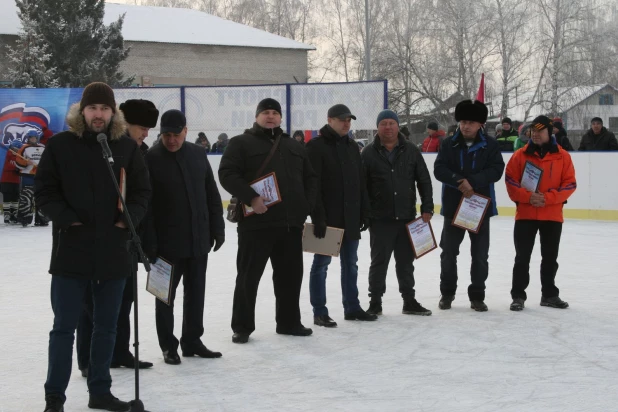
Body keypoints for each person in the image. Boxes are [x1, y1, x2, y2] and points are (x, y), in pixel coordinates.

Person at [35, 82, 151, 412]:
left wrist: (127, 221)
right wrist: (68, 220)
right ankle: (54, 397)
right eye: (92, 108)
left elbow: (142, 192)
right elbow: (44, 191)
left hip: (114, 251)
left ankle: (100, 391)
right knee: (63, 329)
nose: (98, 114)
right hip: (71, 251)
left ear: (113, 113)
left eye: (104, 108)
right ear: (82, 111)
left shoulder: (126, 147)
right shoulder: (60, 145)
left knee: (106, 327)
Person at [219, 98, 317, 344]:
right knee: (248, 277)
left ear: (281, 117)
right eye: (266, 112)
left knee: (290, 277)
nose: (270, 116)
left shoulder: (293, 146)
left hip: (290, 224)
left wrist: (305, 206)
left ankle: (289, 322)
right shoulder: (241, 143)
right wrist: (251, 198)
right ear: (257, 116)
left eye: (275, 112)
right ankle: (242, 327)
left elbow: (310, 178)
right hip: (256, 224)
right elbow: (227, 174)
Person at [75, 99, 159, 377]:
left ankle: (120, 350)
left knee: (124, 300)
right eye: (142, 127)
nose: (145, 134)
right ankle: (88, 359)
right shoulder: (107, 149)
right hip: (102, 238)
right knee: (92, 302)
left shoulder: (140, 152)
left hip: (131, 238)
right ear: (126, 123)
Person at [144, 109, 225, 365]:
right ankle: (168, 346)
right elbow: (145, 207)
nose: (171, 140)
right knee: (163, 296)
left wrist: (217, 228)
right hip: (164, 245)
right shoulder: (150, 158)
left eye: (176, 134)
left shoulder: (198, 154)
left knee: (195, 293)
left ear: (186, 131)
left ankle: (192, 340)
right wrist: (150, 244)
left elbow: (212, 195)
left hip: (197, 239)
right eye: (166, 135)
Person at [305, 104, 376, 327]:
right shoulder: (316, 147)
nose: (346, 123)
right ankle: (319, 311)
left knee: (351, 264)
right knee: (321, 265)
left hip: (351, 216)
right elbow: (311, 185)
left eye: (349, 120)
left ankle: (352, 307)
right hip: (328, 220)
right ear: (330, 120)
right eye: (342, 119)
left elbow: (360, 182)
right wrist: (318, 217)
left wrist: (364, 210)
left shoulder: (353, 147)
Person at [434, 100, 505, 312]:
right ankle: (447, 293)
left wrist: (472, 182)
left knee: (480, 255)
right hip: (453, 208)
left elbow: (496, 170)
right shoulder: (448, 144)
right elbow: (439, 169)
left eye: (471, 122)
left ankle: (477, 296)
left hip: (479, 209)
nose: (466, 126)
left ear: (480, 125)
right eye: (463, 121)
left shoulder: (490, 145)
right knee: (448, 254)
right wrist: (458, 181)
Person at [362, 109, 434, 316]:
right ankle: (375, 301)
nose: (388, 127)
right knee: (379, 263)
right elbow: (362, 187)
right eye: (383, 123)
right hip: (380, 218)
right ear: (378, 127)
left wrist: (427, 207)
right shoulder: (368, 153)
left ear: (397, 125)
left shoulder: (411, 150)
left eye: (391, 123)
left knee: (405, 262)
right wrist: (366, 214)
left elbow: (424, 180)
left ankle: (409, 300)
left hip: (406, 217)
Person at [505, 115, 576, 311]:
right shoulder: (519, 155)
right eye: (532, 131)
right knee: (522, 258)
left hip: (552, 215)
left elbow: (570, 184)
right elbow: (510, 182)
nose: (535, 135)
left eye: (539, 131)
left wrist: (548, 198)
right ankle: (518, 296)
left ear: (550, 132)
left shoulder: (563, 156)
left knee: (550, 258)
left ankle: (549, 295)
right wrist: (529, 197)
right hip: (526, 215)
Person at [15, 129, 48, 226]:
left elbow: (48, 160)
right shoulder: (24, 148)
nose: (33, 139)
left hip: (41, 176)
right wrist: (26, 162)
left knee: (42, 197)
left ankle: (42, 219)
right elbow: (18, 162)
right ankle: (25, 219)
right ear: (28, 138)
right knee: (27, 198)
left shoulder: (43, 148)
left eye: (34, 137)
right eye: (31, 137)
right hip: (27, 176)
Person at [1, 140, 22, 224]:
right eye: (14, 149)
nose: (16, 151)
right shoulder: (5, 155)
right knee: (7, 197)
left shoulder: (19, 157)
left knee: (15, 198)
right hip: (6, 180)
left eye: (18, 149)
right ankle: (7, 214)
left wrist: (19, 168)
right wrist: (15, 168)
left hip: (16, 181)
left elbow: (23, 166)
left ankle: (14, 214)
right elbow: (5, 166)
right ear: (10, 148)